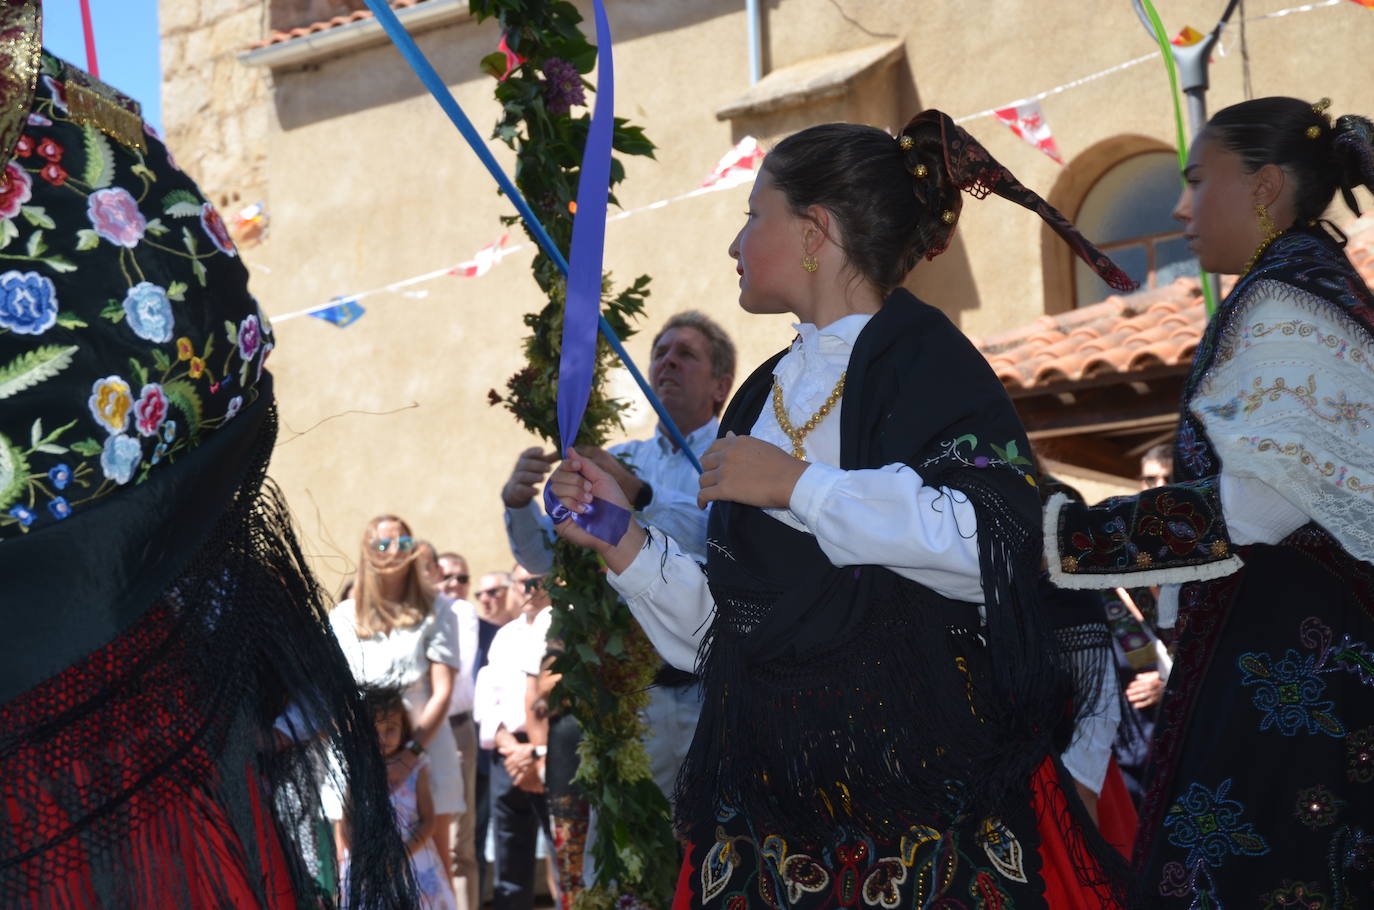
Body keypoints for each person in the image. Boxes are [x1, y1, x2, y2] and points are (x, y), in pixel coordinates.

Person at [549, 111, 1139, 908]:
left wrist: (799, 486)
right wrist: (624, 540)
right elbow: (731, 638)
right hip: (771, 817)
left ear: (814, 231)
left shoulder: (928, 361)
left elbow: (991, 549)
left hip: (917, 804)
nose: (734, 244)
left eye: (753, 214)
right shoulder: (759, 395)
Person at [0, 30, 413, 908]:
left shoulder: (85, 133)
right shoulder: (95, 134)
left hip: (129, 727)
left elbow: (215, 358)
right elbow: (222, 360)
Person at [1048, 98, 1374, 906]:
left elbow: (1252, 508)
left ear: (1263, 186)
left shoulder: (1287, 301)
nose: (1180, 205)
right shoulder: (1296, 286)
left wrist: (1060, 536)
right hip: (1292, 669)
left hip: (1294, 689)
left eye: (1198, 180)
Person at [502, 309, 737, 806]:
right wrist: (519, 504)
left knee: (714, 844)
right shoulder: (622, 456)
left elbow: (723, 538)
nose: (667, 363)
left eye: (685, 354)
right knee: (632, 853)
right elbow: (549, 557)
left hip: (714, 694)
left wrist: (640, 495)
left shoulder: (736, 454)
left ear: (721, 385)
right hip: (632, 699)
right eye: (660, 353)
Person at [328, 516, 466, 881]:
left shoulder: (437, 610)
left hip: (425, 752)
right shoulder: (343, 617)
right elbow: (335, 694)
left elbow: (443, 691)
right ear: (365, 550)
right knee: (354, 871)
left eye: (403, 544)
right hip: (359, 759)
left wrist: (410, 755)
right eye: (381, 543)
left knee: (432, 872)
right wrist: (364, 761)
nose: (392, 552)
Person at [474, 563, 556, 910]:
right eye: (520, 583)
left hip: (552, 753)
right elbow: (486, 695)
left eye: (534, 581)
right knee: (509, 856)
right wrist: (512, 748)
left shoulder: (563, 624)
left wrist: (539, 752)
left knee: (562, 847)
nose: (527, 589)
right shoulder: (506, 634)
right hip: (507, 755)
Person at [341, 686, 459, 910]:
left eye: (391, 729)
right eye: (375, 730)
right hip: (368, 867)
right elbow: (347, 819)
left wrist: (401, 855)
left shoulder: (417, 770)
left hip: (412, 863)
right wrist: (361, 857)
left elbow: (428, 821)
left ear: (404, 728)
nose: (383, 738)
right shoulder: (357, 770)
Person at [438, 550, 483, 910]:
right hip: (406, 732)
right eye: (445, 576)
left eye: (461, 578)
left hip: (452, 729)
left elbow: (456, 678)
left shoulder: (460, 612)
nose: (454, 584)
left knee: (457, 844)